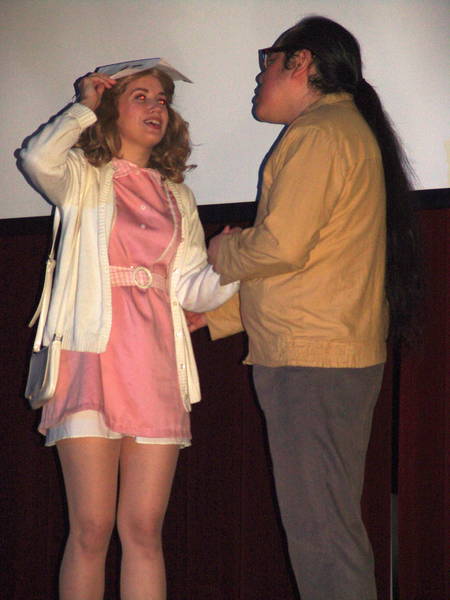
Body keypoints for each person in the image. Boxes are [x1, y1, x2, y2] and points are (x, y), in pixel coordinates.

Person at [187, 16, 420, 600]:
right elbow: (315, 265)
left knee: (323, 537)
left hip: (312, 363)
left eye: (268, 60)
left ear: (302, 63)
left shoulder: (319, 133)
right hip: (322, 355)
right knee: (326, 530)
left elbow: (279, 248)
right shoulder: (337, 130)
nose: (258, 75)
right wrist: (218, 317)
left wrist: (221, 250)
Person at [20, 62, 238, 600]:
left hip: (154, 365)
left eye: (162, 99)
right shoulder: (82, 176)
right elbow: (36, 158)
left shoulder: (177, 196)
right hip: (91, 359)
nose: (155, 107)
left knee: (143, 529)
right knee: (91, 527)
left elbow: (191, 289)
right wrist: (83, 105)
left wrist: (233, 264)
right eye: (140, 96)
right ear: (111, 109)